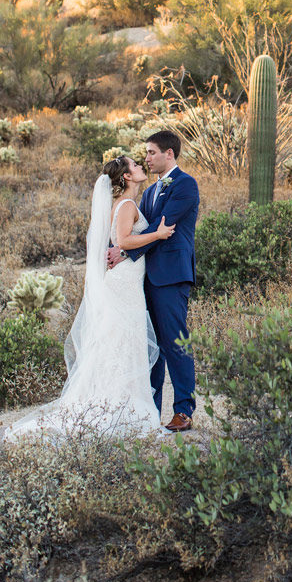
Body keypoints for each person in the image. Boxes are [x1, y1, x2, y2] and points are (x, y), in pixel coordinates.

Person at [4, 155, 175, 441]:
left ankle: (126, 408)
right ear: (126, 177)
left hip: (128, 282)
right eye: (134, 165)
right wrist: (156, 235)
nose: (140, 167)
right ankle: (122, 411)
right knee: (123, 342)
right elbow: (123, 242)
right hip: (123, 284)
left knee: (123, 343)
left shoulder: (126, 203)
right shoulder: (126, 205)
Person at [107, 130, 199, 433]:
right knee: (152, 347)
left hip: (171, 276)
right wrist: (125, 249)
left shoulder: (185, 185)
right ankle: (150, 411)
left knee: (175, 343)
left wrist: (122, 251)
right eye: (144, 154)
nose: (146, 159)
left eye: (151, 152)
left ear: (168, 154)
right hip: (144, 278)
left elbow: (165, 228)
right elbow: (139, 232)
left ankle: (184, 411)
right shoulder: (148, 192)